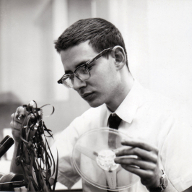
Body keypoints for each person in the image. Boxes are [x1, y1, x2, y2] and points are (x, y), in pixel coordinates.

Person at [10, 18, 192, 192]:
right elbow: (25, 184)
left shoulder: (173, 120)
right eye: (70, 76)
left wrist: (157, 184)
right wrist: (21, 141)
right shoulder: (84, 126)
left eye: (84, 68)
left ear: (118, 58)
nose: (76, 84)